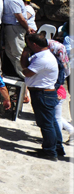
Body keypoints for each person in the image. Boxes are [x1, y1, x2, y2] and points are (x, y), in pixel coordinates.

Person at [21, 32, 66, 161]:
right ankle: (56, 148)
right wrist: (25, 54)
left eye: (28, 44)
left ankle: (50, 152)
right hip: (45, 93)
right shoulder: (43, 55)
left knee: (46, 124)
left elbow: (27, 72)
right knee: (51, 122)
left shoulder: (42, 58)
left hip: (43, 94)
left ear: (34, 44)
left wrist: (24, 63)